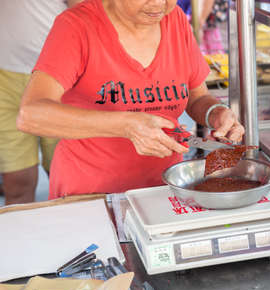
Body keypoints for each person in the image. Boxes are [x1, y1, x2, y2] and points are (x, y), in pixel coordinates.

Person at [17, 0, 245, 199]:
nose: (158, 4)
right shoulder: (77, 25)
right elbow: (30, 115)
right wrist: (126, 125)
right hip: (90, 194)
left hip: (165, 189)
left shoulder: (174, 20)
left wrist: (215, 112)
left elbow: (198, 97)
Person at [0, 0, 82, 205]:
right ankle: (18, 236)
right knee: (17, 183)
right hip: (4, 78)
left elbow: (86, 11)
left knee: (67, 184)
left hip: (60, 78)